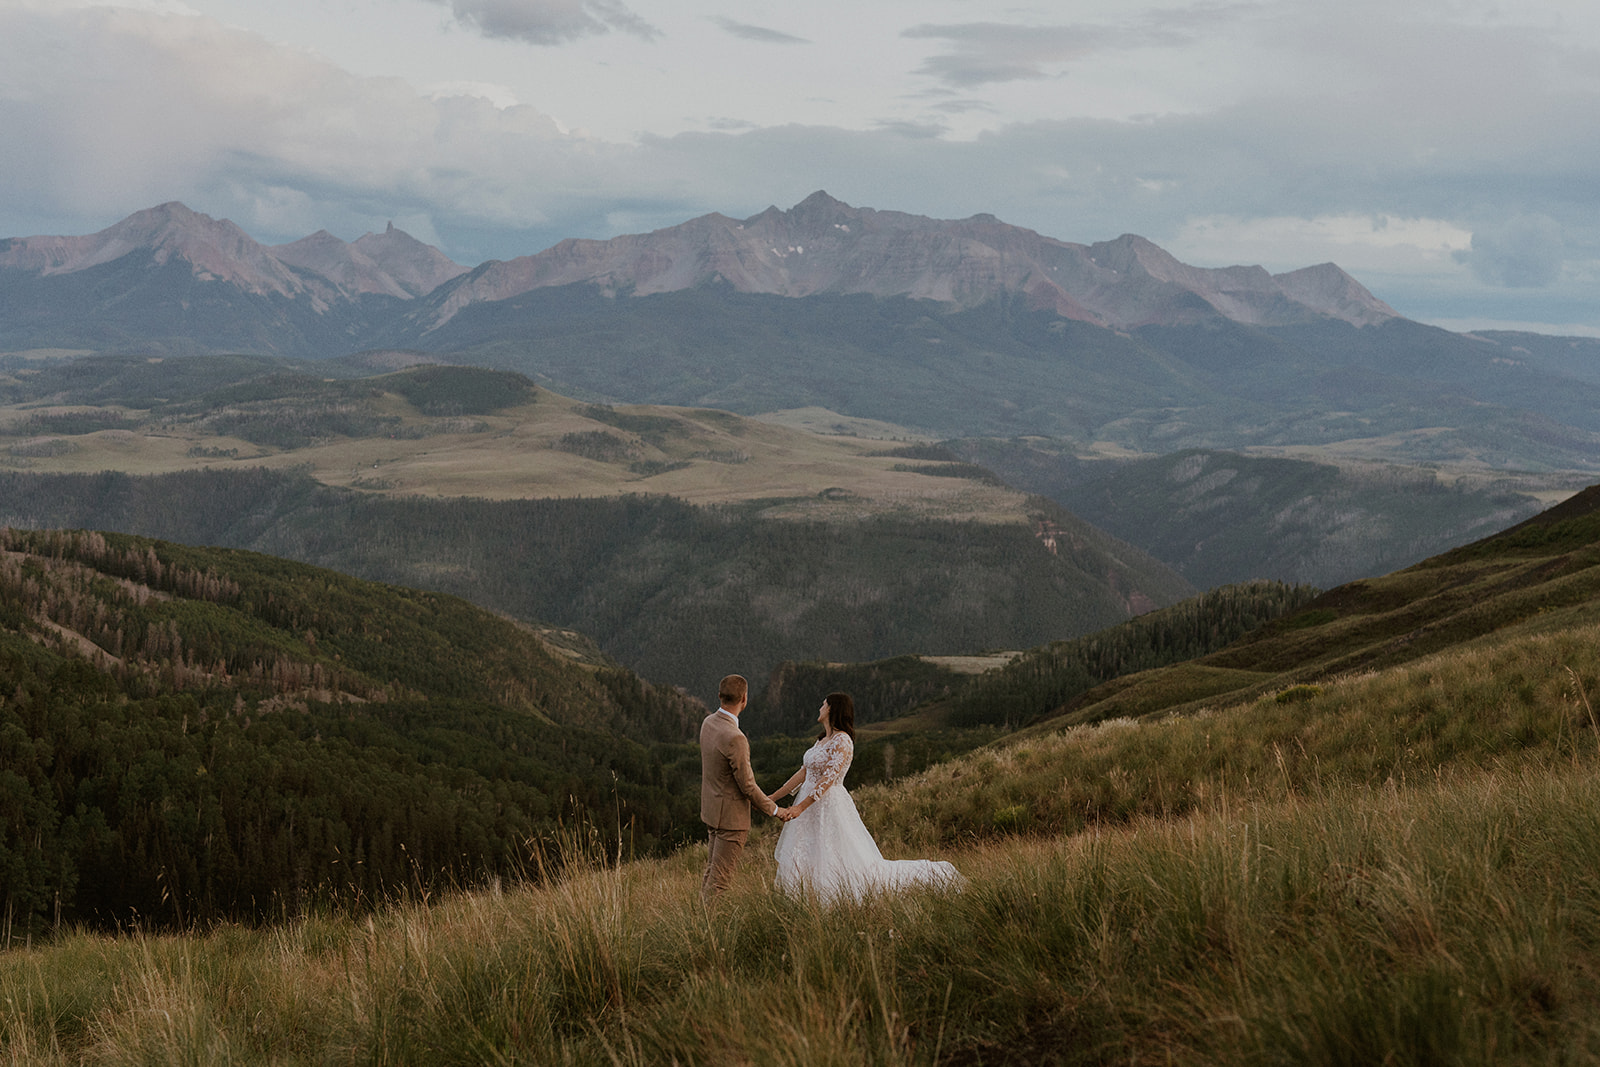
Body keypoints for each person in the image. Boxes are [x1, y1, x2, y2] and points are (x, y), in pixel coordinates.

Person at [772, 692, 963, 901]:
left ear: (832, 709)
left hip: (827, 805)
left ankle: (833, 894)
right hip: (808, 806)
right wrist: (773, 797)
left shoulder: (842, 741)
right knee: (807, 850)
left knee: (834, 853)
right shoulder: (821, 741)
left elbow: (827, 780)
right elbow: (803, 773)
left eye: (823, 704)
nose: (820, 707)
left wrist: (800, 808)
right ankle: (805, 895)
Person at [699, 673, 779, 906]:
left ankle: (700, 921)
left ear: (719, 696)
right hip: (731, 820)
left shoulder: (708, 723)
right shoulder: (736, 738)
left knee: (711, 874)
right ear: (744, 699)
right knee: (720, 883)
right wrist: (774, 810)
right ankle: (710, 934)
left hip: (712, 811)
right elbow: (747, 785)